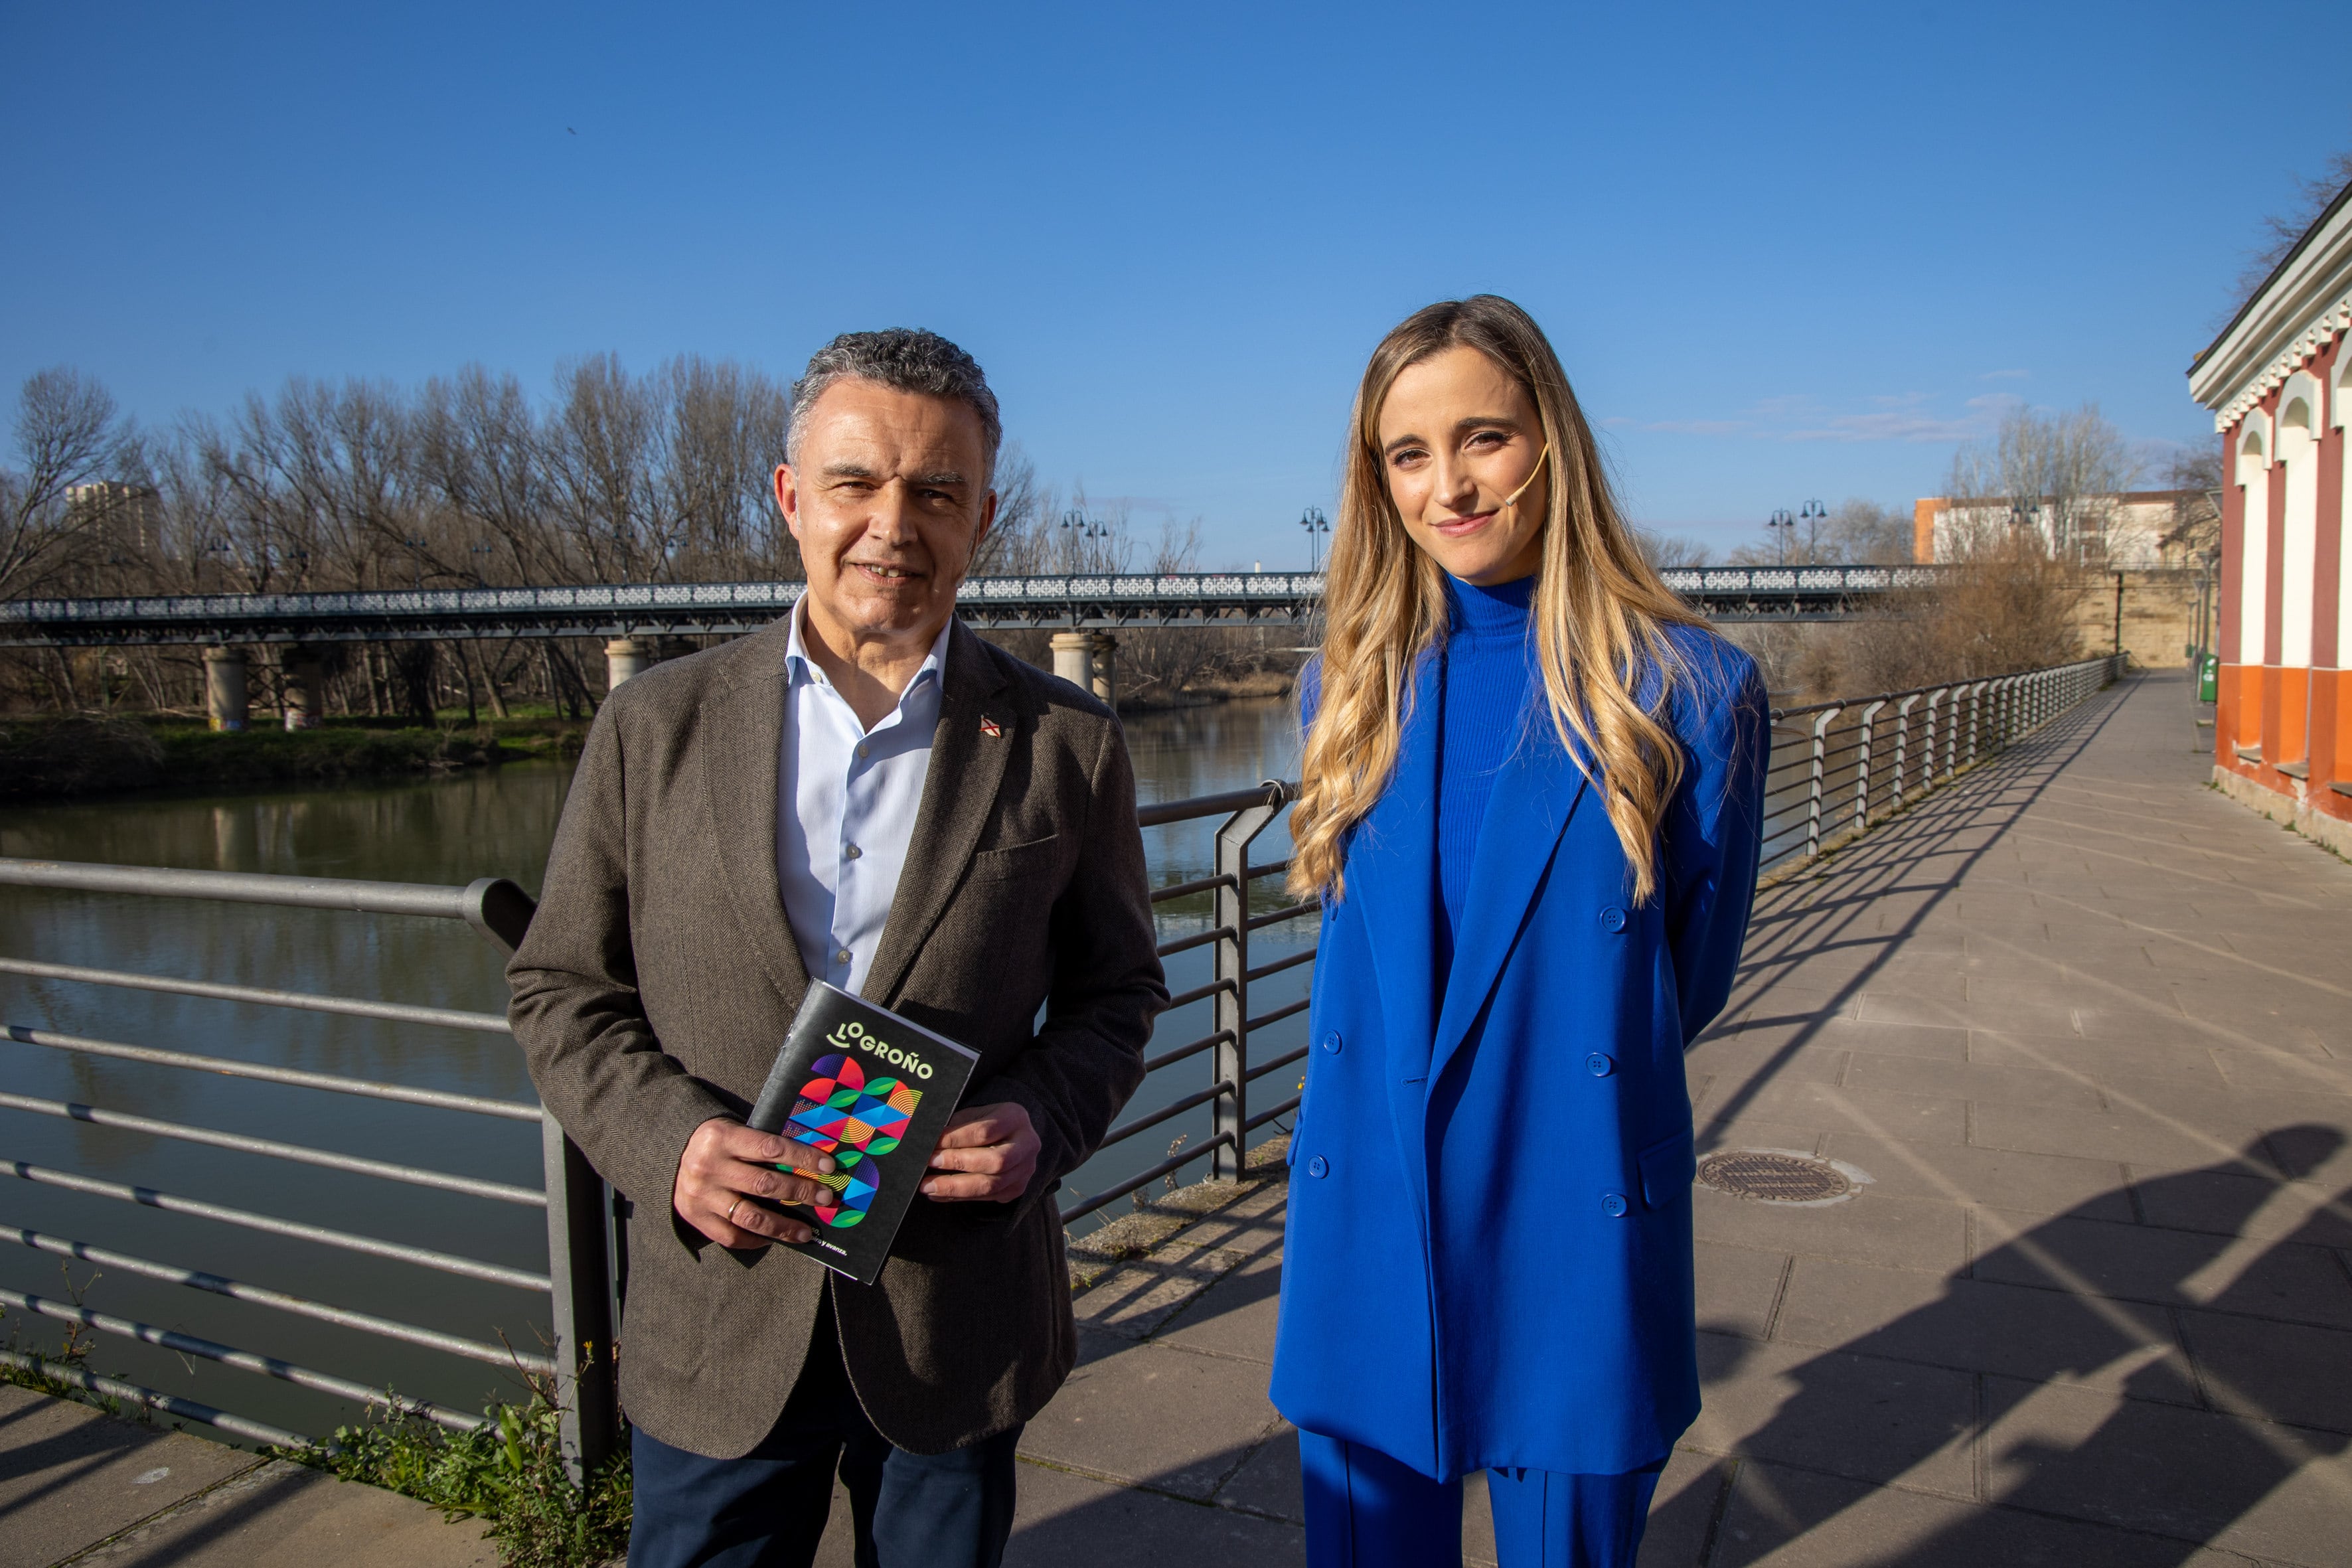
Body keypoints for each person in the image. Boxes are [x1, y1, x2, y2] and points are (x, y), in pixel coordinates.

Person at [507, 329, 1168, 1568]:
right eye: (858, 482)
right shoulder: (655, 726)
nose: (892, 525)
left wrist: (1045, 1116)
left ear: (983, 513)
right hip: (717, 1313)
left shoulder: (1066, 743)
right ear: (791, 498)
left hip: (953, 1318)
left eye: (935, 490)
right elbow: (560, 989)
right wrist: (672, 1144)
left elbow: (1120, 991)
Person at [1269, 295, 1767, 1568]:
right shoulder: (1346, 685)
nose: (1450, 484)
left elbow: (1681, 982)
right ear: (1376, 481)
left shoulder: (1690, 687)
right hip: (1370, 1210)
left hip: (1572, 1210)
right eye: (1409, 453)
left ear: (1552, 438)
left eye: (1483, 436)